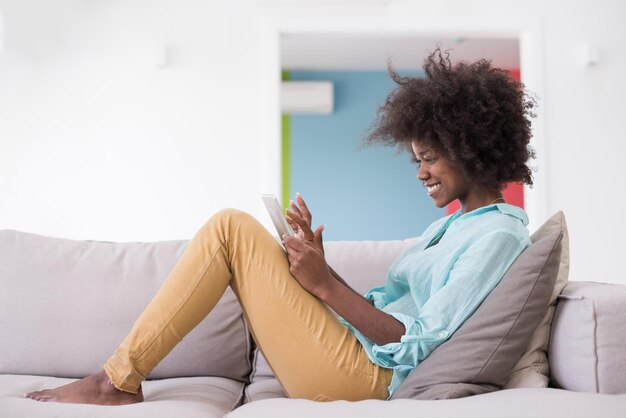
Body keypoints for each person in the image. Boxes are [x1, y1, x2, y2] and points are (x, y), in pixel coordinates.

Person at [25, 48, 536, 405]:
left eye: (430, 159)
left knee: (230, 229)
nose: (421, 172)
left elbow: (415, 342)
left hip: (368, 381)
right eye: (416, 160)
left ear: (473, 148)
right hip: (353, 353)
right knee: (237, 232)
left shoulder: (498, 236)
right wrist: (318, 266)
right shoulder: (455, 226)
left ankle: (116, 381)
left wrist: (324, 283)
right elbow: (382, 313)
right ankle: (117, 378)